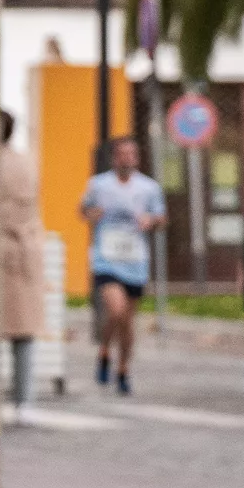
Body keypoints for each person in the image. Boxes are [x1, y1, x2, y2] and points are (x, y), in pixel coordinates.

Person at [79, 135, 165, 396]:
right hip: (107, 257)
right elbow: (83, 210)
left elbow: (161, 218)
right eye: (122, 154)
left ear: (137, 157)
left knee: (128, 321)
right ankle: (105, 349)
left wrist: (150, 221)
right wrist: (92, 214)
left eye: (131, 153)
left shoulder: (148, 188)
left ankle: (123, 369)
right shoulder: (98, 185)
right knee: (115, 311)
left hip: (135, 259)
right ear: (114, 157)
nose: (127, 158)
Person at [0, 110, 44, 410]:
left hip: (2, 252)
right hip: (26, 252)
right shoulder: (25, 161)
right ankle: (23, 400)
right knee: (22, 334)